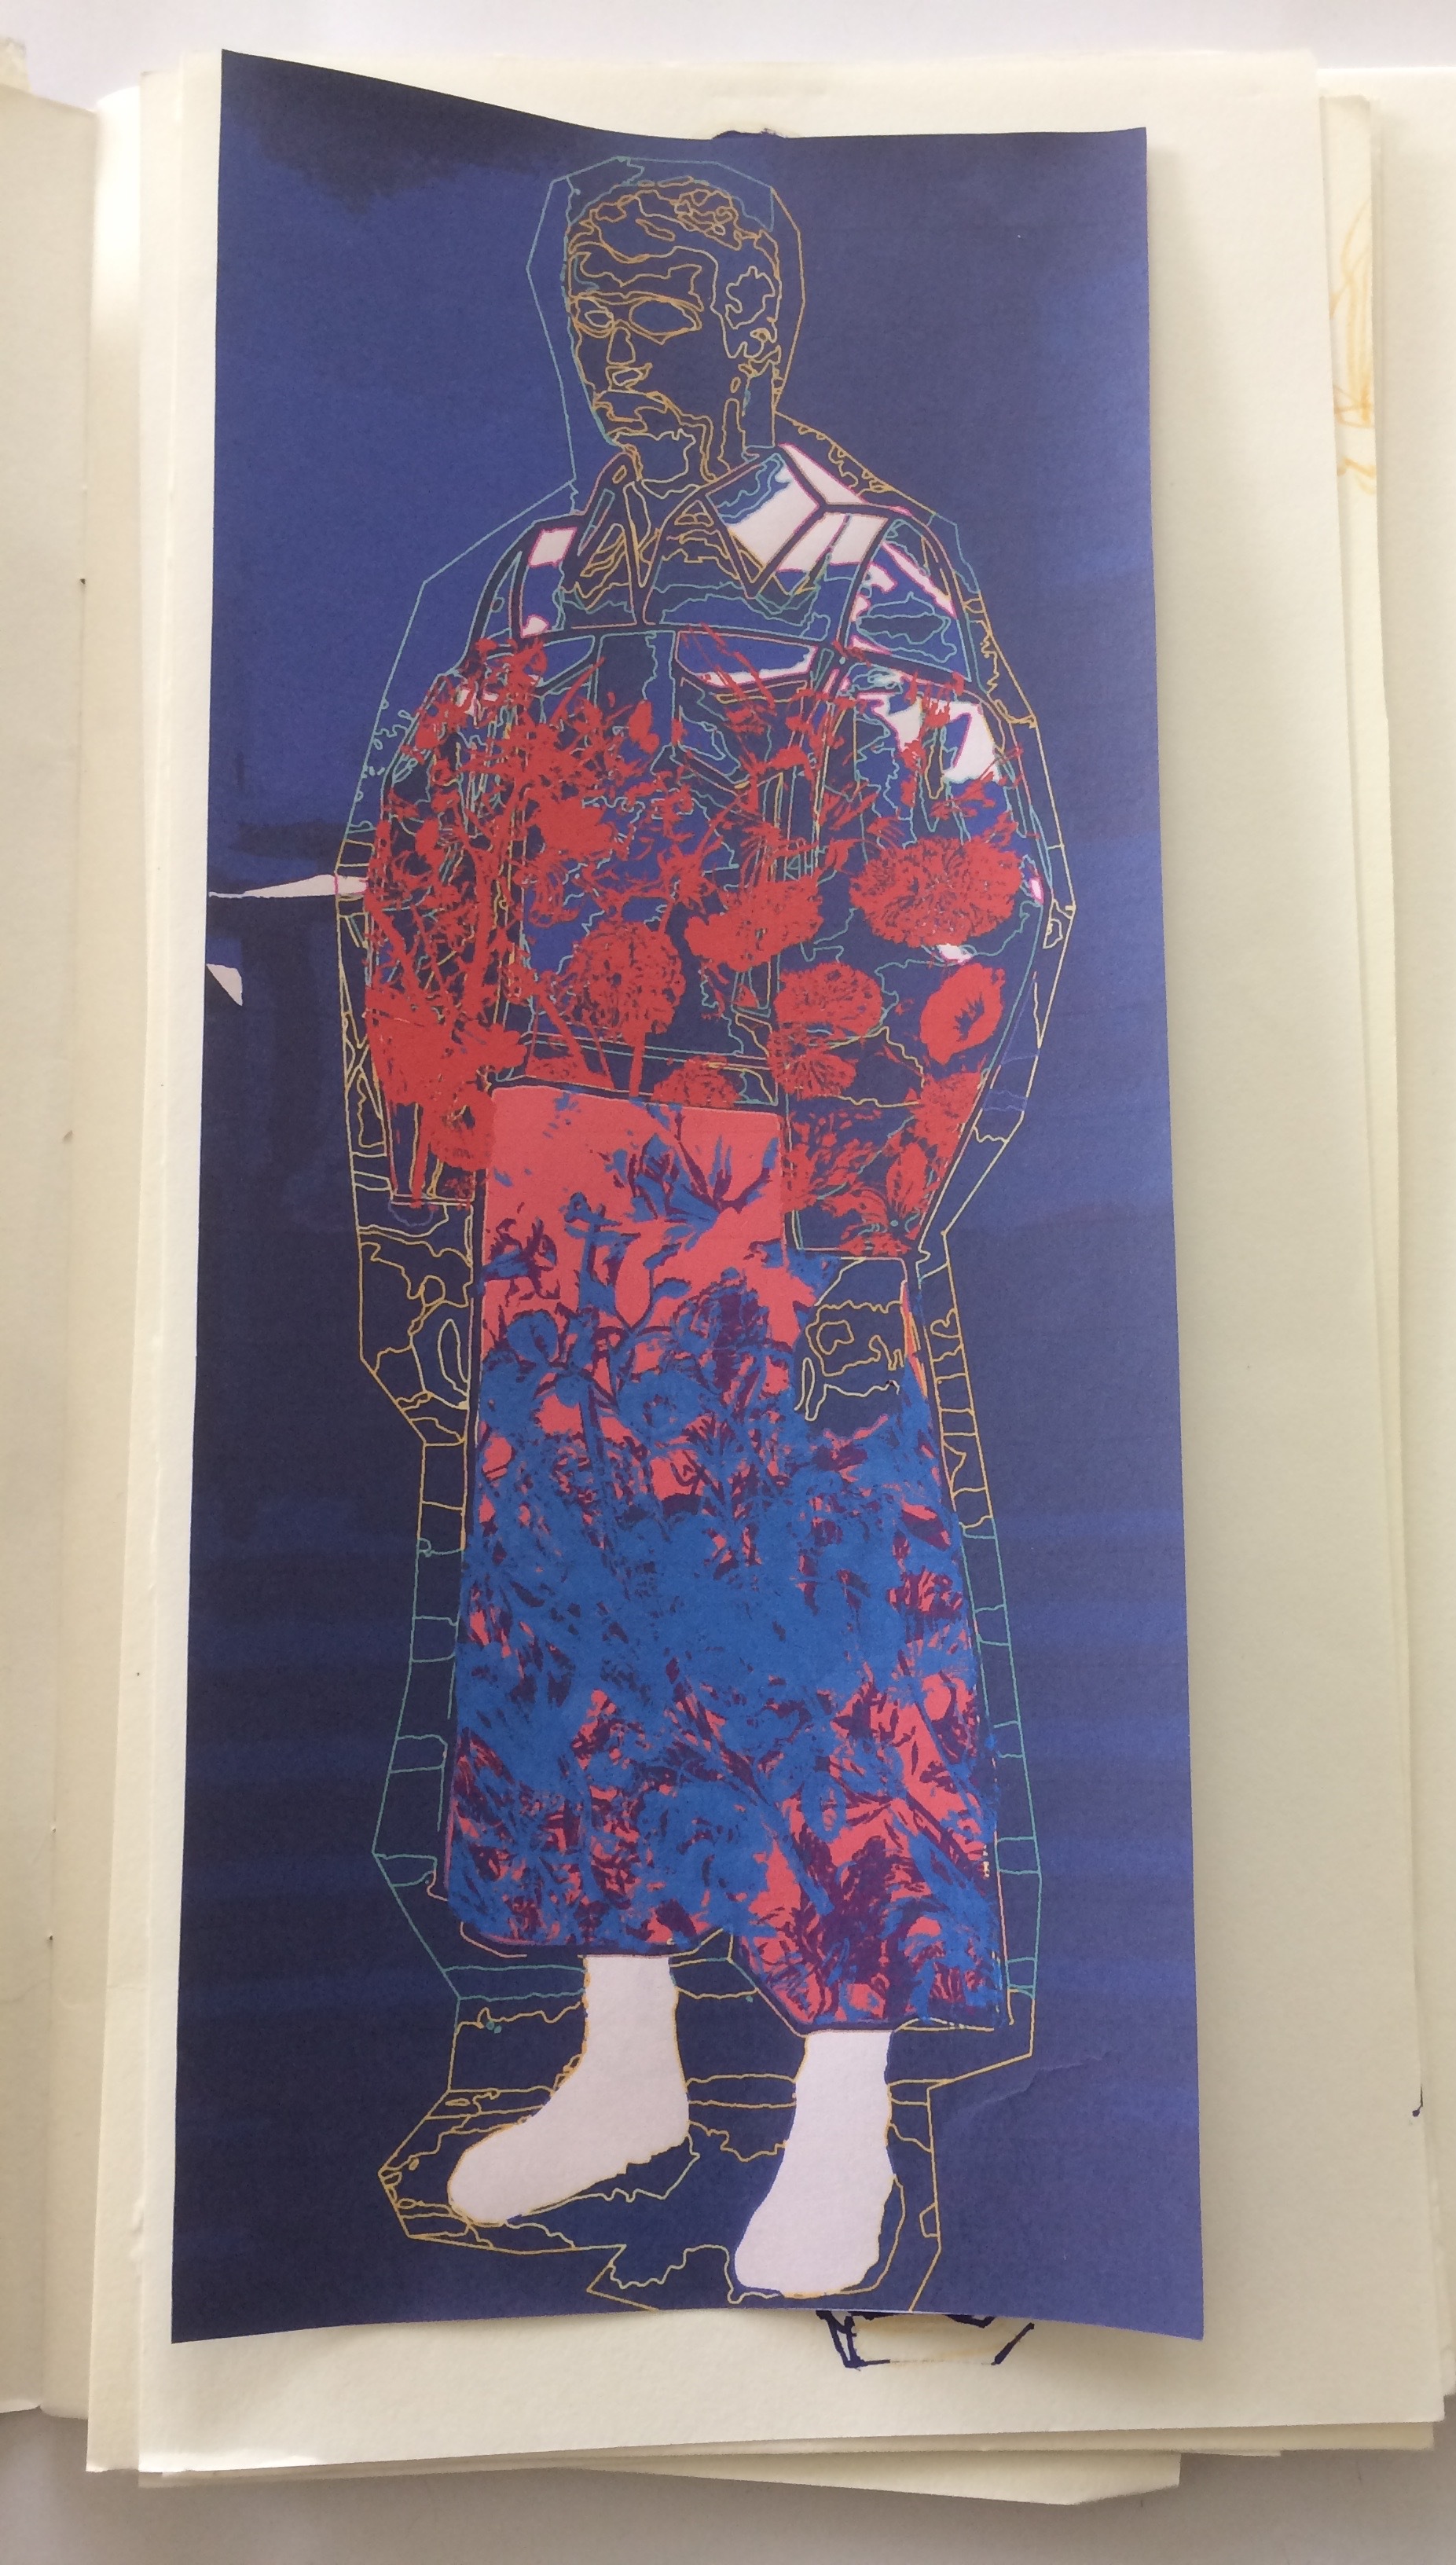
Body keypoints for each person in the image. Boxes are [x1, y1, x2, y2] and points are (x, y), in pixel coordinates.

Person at [346, 157, 1065, 2297]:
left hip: (784, 1197)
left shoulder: (865, 580)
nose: (620, 362)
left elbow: (964, 913)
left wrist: (867, 1229)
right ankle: (628, 2064)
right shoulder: (540, 578)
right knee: (580, 1648)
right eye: (595, 320)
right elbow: (431, 885)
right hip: (558, 1200)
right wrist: (427, 1212)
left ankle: (840, 2116)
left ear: (756, 328)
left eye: (658, 319)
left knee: (827, 1655)